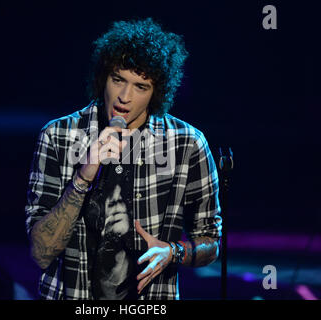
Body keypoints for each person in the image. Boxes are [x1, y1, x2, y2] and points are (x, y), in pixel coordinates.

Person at [25, 17, 222, 300]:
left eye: (141, 86)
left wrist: (173, 252)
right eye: (118, 80)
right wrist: (83, 177)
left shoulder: (187, 143)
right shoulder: (59, 136)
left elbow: (211, 242)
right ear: (103, 76)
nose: (124, 97)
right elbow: (40, 254)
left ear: (157, 92)